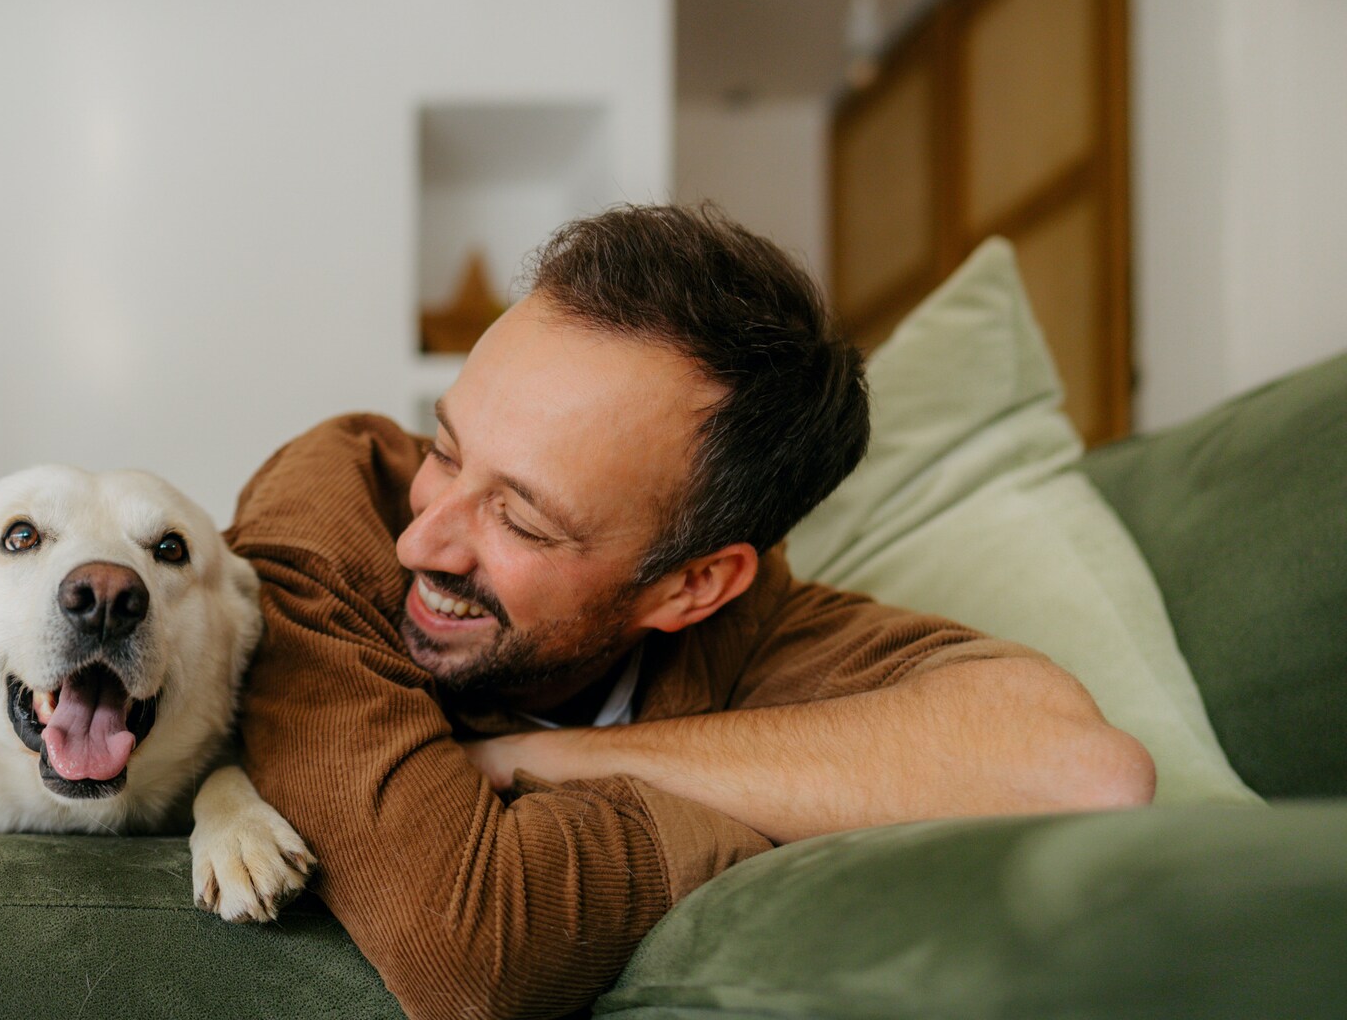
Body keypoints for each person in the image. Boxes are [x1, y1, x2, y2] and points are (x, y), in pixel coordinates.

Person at [225, 204, 1155, 1020]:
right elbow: (469, 948)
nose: (422, 541)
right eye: (447, 449)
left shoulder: (755, 629)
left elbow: (1084, 772)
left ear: (694, 587)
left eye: (523, 520)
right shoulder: (333, 505)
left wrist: (549, 759)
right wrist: (744, 822)